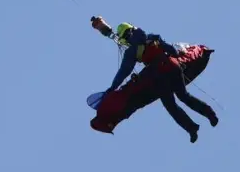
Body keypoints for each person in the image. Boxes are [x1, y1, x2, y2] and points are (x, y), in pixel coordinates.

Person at [90, 15, 219, 142]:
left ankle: (192, 129)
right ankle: (210, 115)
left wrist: (113, 87)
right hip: (172, 66)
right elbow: (172, 50)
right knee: (184, 96)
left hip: (158, 75)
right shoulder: (151, 38)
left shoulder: (132, 51)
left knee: (171, 106)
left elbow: (124, 72)